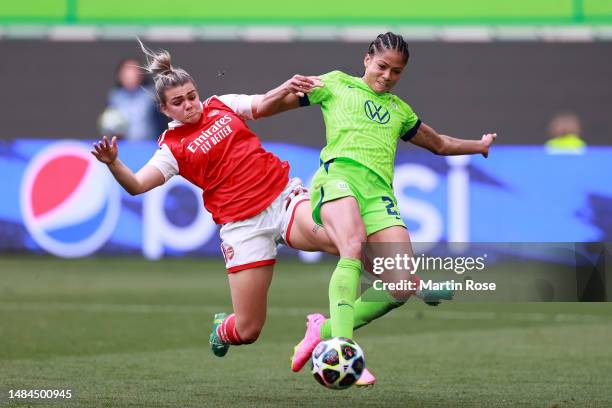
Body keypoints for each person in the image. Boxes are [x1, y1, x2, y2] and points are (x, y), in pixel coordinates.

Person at [256, 32, 498, 385]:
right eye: (382, 66)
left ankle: (321, 330)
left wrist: (479, 145)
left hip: (379, 196)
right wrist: (275, 93)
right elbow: (266, 108)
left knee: (401, 284)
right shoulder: (335, 83)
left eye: (396, 72)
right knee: (351, 246)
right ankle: (343, 349)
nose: (387, 76)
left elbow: (441, 144)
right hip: (338, 178)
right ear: (367, 59)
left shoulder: (400, 111)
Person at [91, 41, 336, 359]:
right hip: (243, 227)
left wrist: (286, 87)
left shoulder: (222, 104)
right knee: (247, 330)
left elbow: (262, 104)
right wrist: (113, 163)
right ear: (165, 110)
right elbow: (137, 185)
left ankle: (393, 289)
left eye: (192, 96)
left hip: (282, 198)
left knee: (336, 239)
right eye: (178, 102)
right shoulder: (172, 148)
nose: (190, 104)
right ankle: (223, 327)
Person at [105, 57, 167, 141]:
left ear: (141, 75)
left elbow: (162, 123)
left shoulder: (152, 95)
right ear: (119, 76)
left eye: (133, 71)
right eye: (126, 72)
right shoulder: (114, 97)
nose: (130, 76)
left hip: (149, 145)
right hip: (123, 146)